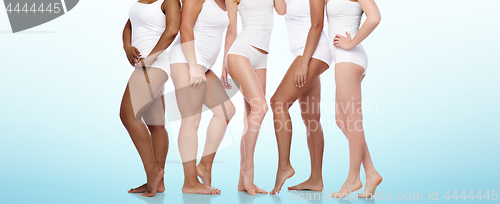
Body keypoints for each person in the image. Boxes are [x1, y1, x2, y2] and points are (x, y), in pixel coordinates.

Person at [168, 0, 235, 194]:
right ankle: (189, 182)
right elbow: (185, 27)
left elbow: (230, 31)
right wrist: (193, 64)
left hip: (203, 65)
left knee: (226, 111)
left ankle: (204, 165)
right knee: (191, 120)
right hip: (186, 60)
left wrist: (222, 65)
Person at [223, 0, 286, 195]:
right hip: (241, 52)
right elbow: (232, 29)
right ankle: (248, 168)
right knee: (261, 108)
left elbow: (282, 10)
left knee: (251, 115)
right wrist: (224, 64)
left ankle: (243, 180)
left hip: (262, 58)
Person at [269, 0, 332, 195]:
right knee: (311, 118)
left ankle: (284, 166)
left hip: (313, 52)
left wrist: (304, 63)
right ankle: (316, 179)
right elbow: (281, 10)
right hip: (304, 53)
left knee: (278, 102)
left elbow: (318, 24)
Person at [120, 0, 181, 197]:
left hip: (154, 64)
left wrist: (151, 57)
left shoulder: (170, 1)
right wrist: (127, 46)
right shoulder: (140, 2)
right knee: (155, 125)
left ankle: (153, 171)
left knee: (128, 116)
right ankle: (157, 182)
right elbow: (129, 24)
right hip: (145, 64)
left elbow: (172, 30)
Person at [327, 0, 382, 198]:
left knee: (353, 121)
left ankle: (353, 178)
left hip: (348, 58)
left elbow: (374, 18)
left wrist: (351, 42)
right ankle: (371, 172)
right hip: (343, 59)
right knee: (342, 121)